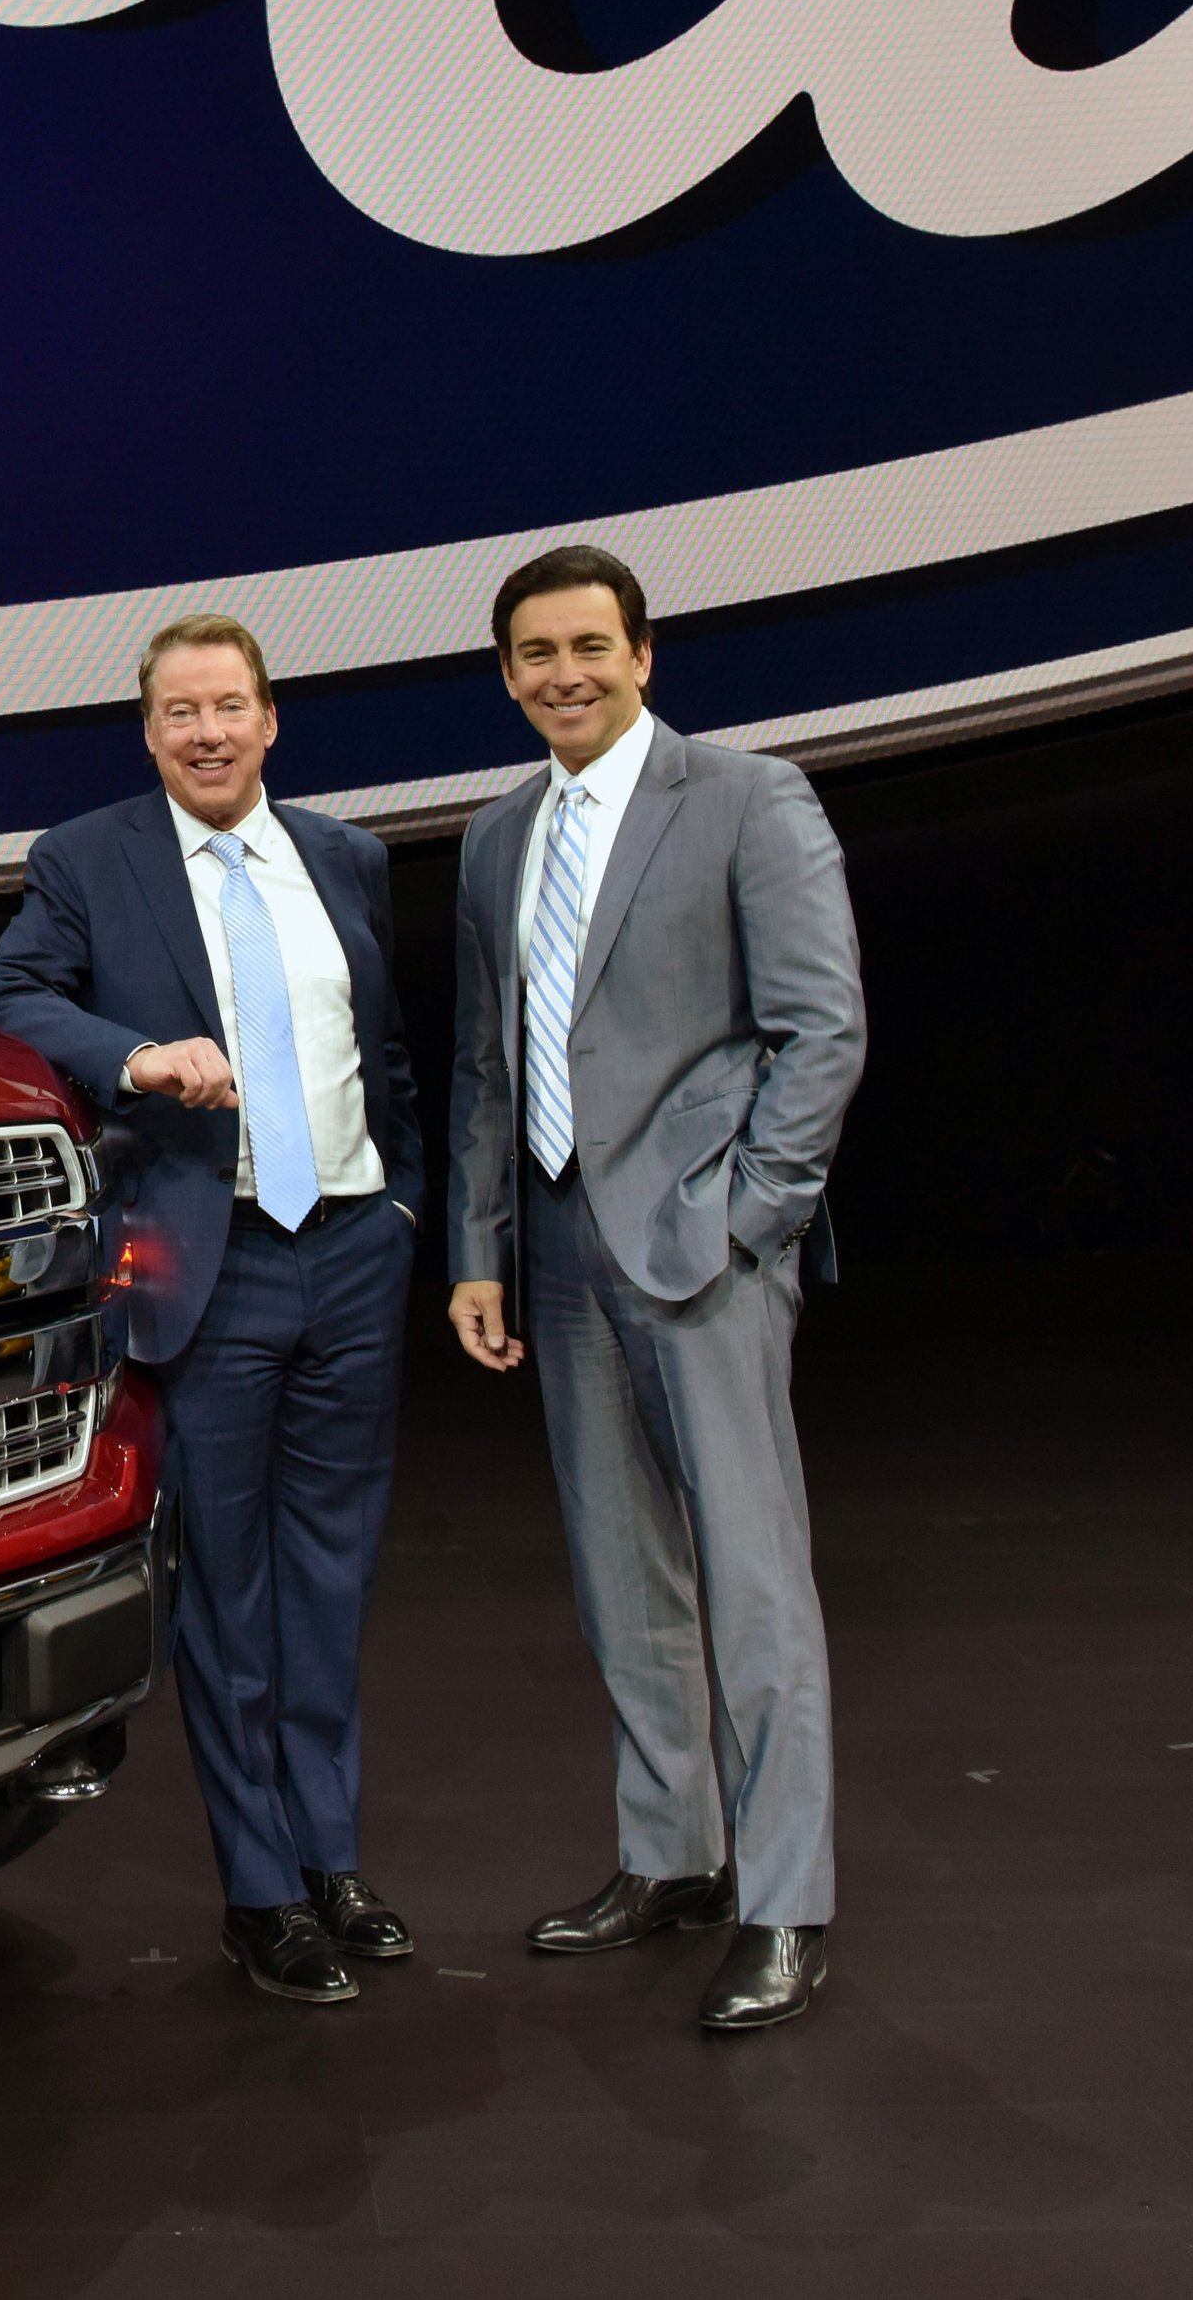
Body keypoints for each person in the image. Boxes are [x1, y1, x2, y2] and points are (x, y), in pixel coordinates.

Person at [0, 614, 425, 2005]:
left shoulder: (344, 855)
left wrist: (403, 1206)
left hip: (350, 1250)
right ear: (150, 731)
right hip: (212, 1266)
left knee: (330, 1577)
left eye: (230, 706)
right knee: (229, 1596)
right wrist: (139, 1058)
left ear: (272, 719)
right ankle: (262, 1890)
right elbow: (3, 1000)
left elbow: (385, 1050)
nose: (209, 732)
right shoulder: (90, 858)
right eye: (181, 712)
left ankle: (333, 1853)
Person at [445, 547, 867, 2030]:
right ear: (506, 675)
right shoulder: (498, 838)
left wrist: (756, 1214)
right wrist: (479, 1250)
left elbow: (823, 1031)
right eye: (533, 653)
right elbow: (486, 1066)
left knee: (754, 1580)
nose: (562, 671)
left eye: (587, 645)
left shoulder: (750, 798)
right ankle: (672, 1855)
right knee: (622, 1573)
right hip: (555, 1254)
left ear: (643, 654)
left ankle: (784, 1899)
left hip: (700, 1246)